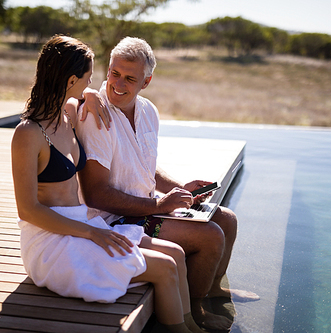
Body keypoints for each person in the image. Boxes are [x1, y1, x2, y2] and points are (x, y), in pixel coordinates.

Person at [11, 35, 204, 333]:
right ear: (71, 79)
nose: (95, 86)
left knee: (176, 255)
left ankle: (191, 325)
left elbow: (79, 97)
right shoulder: (27, 134)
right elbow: (28, 210)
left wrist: (88, 96)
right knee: (165, 268)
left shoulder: (70, 114)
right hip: (50, 242)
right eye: (88, 80)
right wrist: (91, 233)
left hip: (81, 228)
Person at [73, 37, 259, 331]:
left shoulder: (148, 111)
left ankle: (214, 290)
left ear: (146, 82)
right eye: (114, 74)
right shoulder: (95, 115)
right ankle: (195, 310)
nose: (117, 84)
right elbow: (95, 195)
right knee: (209, 236)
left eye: (130, 78)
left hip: (146, 208)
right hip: (115, 221)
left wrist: (181, 189)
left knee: (227, 219)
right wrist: (160, 204)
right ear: (107, 70)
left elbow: (144, 165)